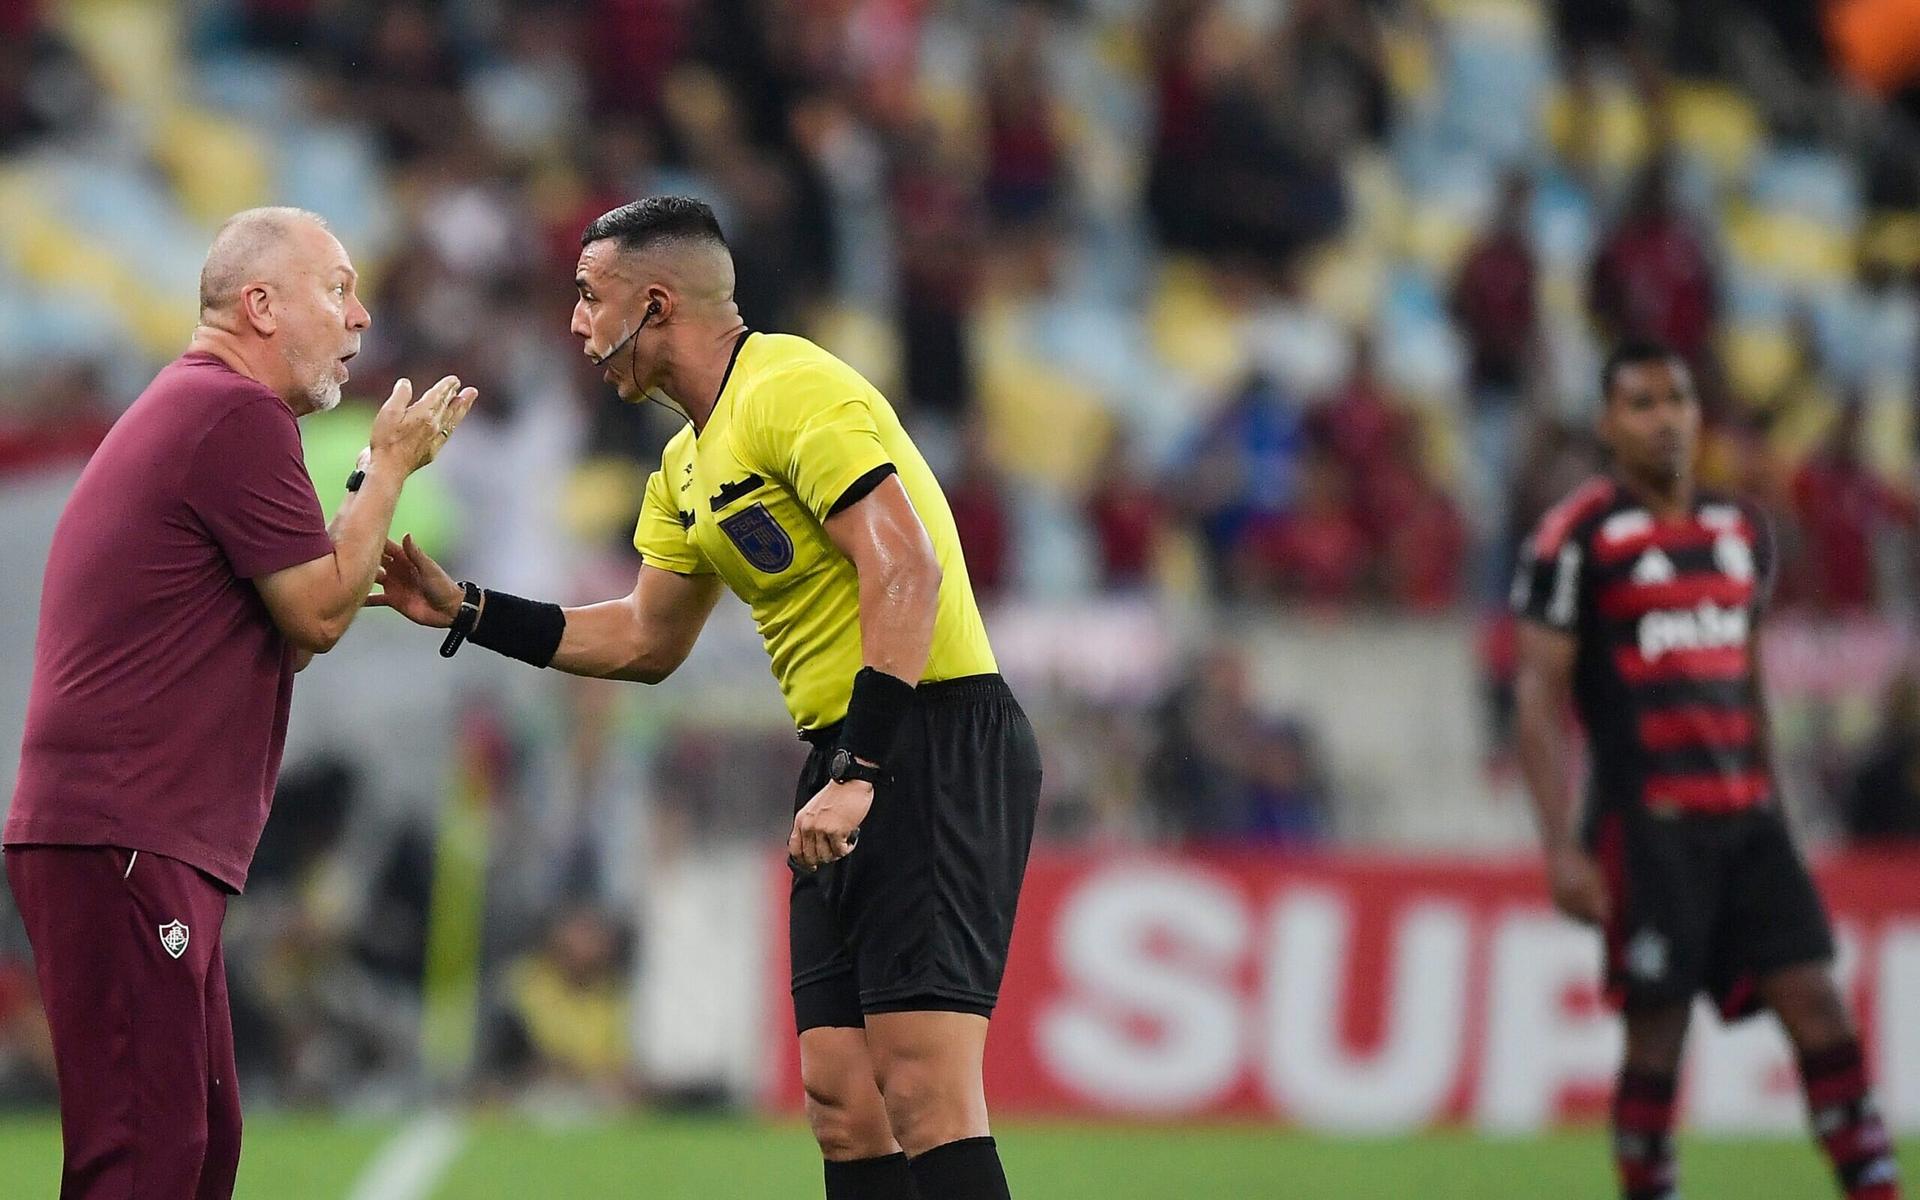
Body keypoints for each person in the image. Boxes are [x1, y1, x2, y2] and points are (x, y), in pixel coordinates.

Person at [373, 196, 1040, 1200]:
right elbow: (644, 640)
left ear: (654, 303)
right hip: (849, 754)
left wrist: (863, 770)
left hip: (927, 735)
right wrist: (468, 609)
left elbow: (904, 570)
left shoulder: (794, 387)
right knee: (841, 1101)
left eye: (589, 297)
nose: (575, 323)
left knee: (923, 1084)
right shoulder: (686, 465)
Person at [3, 206, 475, 1200]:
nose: (359, 316)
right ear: (260, 305)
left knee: (199, 1143)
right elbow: (316, 615)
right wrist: (385, 468)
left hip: (134, 834)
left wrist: (353, 533)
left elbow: (286, 635)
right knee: (143, 1159)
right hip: (129, 831)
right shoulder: (234, 413)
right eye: (336, 288)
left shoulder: (210, 411)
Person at [1510, 341, 1901, 1200]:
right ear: (1610, 426)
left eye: (1678, 400)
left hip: (1749, 818)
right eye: (1642, 404)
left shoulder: (1742, 530)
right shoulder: (1577, 538)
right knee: (1657, 1035)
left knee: (1818, 1006)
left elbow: (1746, 675)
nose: (1665, 420)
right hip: (1649, 824)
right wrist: (1559, 848)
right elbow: (1538, 695)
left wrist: (1777, 798)